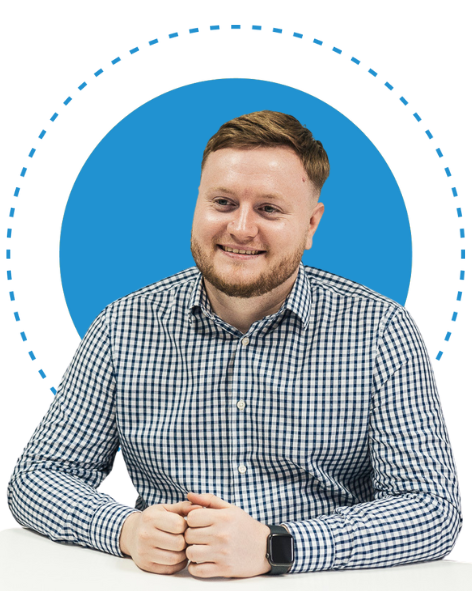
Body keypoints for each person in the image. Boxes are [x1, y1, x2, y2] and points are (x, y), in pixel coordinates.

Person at [6, 111, 463, 579]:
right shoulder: (123, 326)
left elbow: (432, 508)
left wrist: (277, 547)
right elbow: (37, 476)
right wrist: (125, 529)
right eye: (223, 202)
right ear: (197, 206)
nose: (241, 228)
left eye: (269, 209)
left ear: (310, 225)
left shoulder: (383, 330)